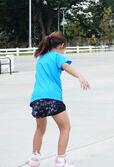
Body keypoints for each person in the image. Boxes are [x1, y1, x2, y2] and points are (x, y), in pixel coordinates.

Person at [28, 32, 90, 167]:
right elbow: (66, 67)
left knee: (40, 129)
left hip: (37, 99)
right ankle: (61, 159)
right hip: (52, 98)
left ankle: (34, 159)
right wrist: (80, 76)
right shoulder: (57, 56)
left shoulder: (42, 58)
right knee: (65, 128)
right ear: (62, 45)